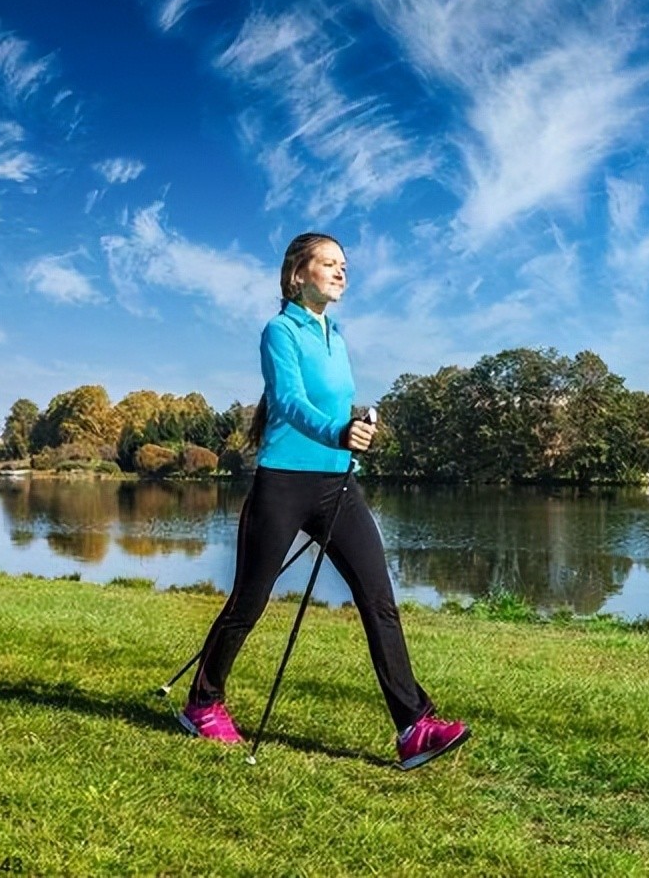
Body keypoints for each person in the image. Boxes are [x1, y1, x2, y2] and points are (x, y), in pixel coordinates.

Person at [179, 232, 469, 770]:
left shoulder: (336, 334)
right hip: (283, 485)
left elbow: (338, 407)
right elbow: (288, 402)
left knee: (378, 600)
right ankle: (203, 703)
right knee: (249, 602)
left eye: (344, 265)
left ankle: (413, 726)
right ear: (298, 274)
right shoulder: (279, 331)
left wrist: (356, 432)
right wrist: (339, 431)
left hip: (339, 486)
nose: (341, 273)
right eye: (329, 264)